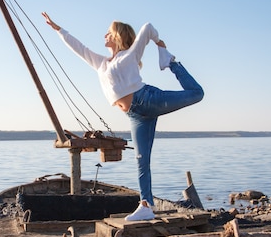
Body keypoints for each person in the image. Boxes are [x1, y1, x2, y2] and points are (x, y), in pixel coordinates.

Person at [42, 12, 204, 221]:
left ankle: (172, 63)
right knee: (141, 159)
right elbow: (79, 48)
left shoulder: (130, 55)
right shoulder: (101, 63)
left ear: (117, 35)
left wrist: (160, 44)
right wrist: (59, 30)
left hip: (147, 99)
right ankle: (146, 205)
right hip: (135, 115)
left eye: (108, 32)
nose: (104, 35)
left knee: (197, 94)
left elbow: (147, 27)